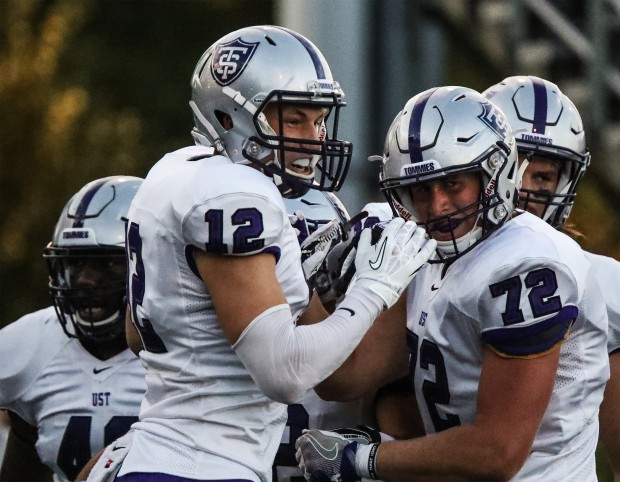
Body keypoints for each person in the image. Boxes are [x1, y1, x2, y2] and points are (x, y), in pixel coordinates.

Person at [114, 25, 435, 482]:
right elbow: (284, 374)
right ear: (227, 117)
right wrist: (372, 289)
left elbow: (136, 331)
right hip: (205, 468)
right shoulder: (234, 193)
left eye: (320, 119)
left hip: (162, 457)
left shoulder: (171, 171)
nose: (315, 138)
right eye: (294, 119)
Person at [295, 86, 610, 481]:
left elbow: (498, 452)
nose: (437, 205)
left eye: (453, 184)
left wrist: (365, 460)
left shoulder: (527, 264)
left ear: (494, 174)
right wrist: (296, 284)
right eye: (421, 189)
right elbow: (345, 378)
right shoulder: (424, 251)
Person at [483, 74, 620, 481]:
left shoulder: (601, 282)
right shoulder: (430, 270)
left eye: (542, 177)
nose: (525, 191)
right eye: (513, 168)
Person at [0, 176, 146, 482]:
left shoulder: (184, 344)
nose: (84, 280)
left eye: (105, 264)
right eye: (76, 262)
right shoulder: (30, 342)